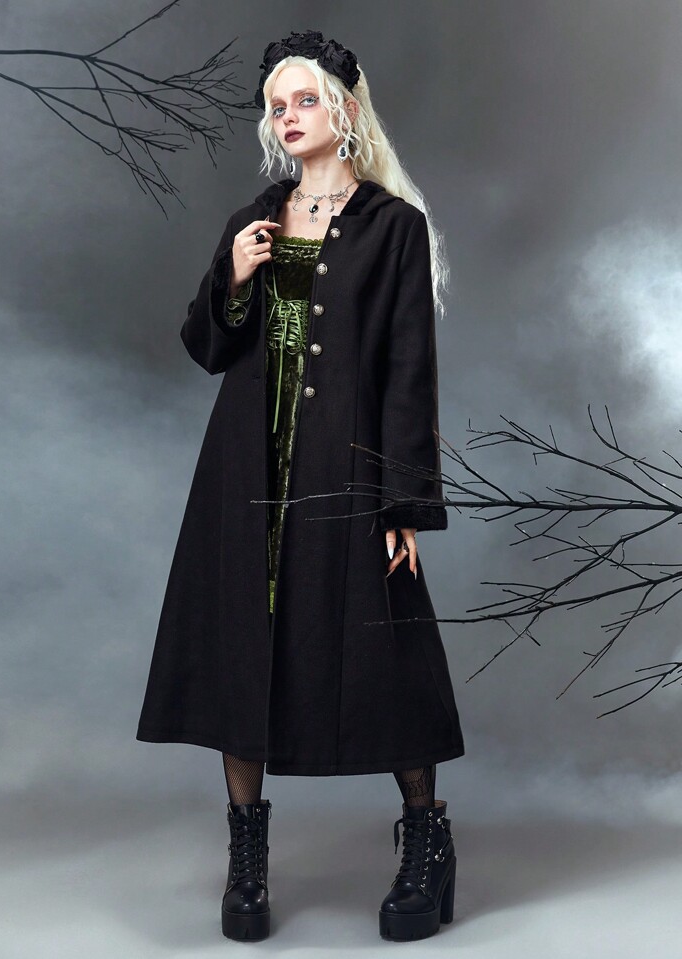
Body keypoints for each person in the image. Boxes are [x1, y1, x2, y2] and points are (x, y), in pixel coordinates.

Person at [136, 29, 464, 943]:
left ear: (346, 110)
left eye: (304, 100)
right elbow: (207, 347)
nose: (287, 117)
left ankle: (427, 846)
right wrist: (234, 276)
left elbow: (407, 369)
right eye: (276, 106)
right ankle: (247, 861)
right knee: (244, 648)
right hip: (246, 469)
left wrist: (404, 502)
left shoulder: (393, 227)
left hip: (341, 469)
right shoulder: (257, 217)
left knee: (385, 651)